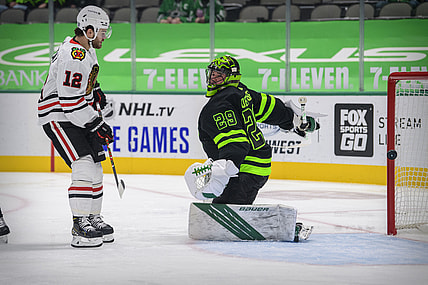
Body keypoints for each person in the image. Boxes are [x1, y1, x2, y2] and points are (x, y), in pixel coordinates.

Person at [185, 55, 318, 241]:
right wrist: (294, 121)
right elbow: (270, 107)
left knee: (221, 221)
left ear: (231, 76)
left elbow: (236, 143)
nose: (213, 78)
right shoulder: (241, 93)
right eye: (212, 74)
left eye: (219, 74)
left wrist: (224, 169)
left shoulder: (219, 105)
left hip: (244, 170)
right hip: (254, 166)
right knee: (219, 213)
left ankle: (287, 228)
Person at [38, 5, 114, 248]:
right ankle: (79, 223)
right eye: (102, 30)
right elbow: (70, 102)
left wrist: (96, 90)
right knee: (82, 163)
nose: (105, 35)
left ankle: (92, 217)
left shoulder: (85, 50)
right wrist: (97, 123)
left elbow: (82, 85)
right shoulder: (74, 54)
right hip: (59, 116)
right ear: (88, 30)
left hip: (75, 113)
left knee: (95, 164)